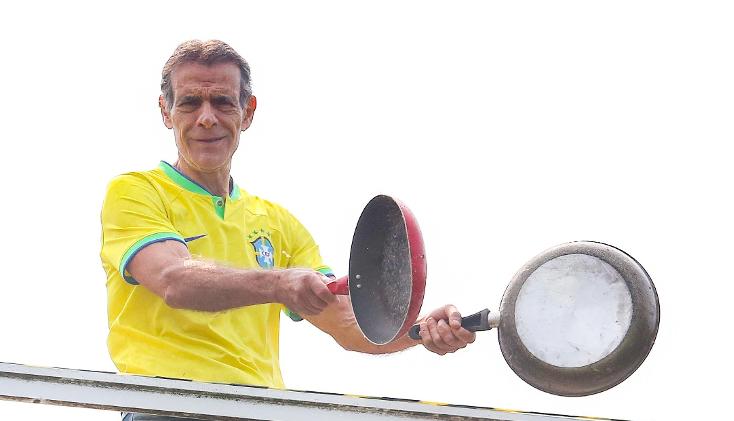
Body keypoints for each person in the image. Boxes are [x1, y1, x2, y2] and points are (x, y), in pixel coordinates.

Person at [100, 40, 475, 421]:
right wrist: (278, 284)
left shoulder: (278, 224)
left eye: (223, 102)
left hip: (260, 413)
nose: (207, 118)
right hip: (167, 410)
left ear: (248, 112)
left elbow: (349, 326)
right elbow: (173, 280)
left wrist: (420, 330)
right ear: (166, 111)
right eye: (190, 102)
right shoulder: (135, 191)